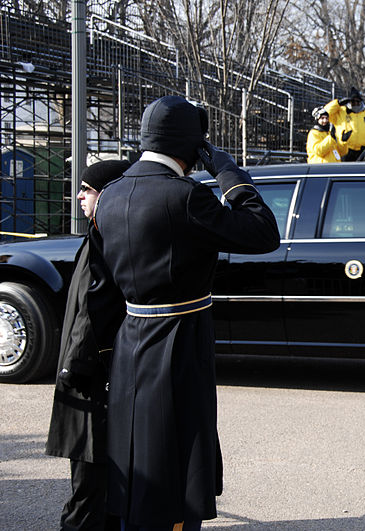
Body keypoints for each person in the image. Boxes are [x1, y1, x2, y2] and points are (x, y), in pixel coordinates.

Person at [90, 95, 281, 530]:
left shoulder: (109, 197)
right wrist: (229, 173)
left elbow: (100, 291)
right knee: (176, 469)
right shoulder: (187, 198)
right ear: (192, 147)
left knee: (137, 466)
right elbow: (263, 232)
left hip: (129, 342)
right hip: (178, 343)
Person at [45, 160, 130, 531]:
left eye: (88, 189)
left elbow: (94, 311)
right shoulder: (103, 234)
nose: (79, 195)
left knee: (88, 479)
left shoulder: (105, 239)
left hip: (92, 376)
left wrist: (72, 366)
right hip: (95, 373)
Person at [324, 87, 365, 161]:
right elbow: (324, 112)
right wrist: (337, 103)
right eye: (353, 101)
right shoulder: (340, 112)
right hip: (345, 151)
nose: (356, 104)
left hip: (364, 152)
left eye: (358, 101)